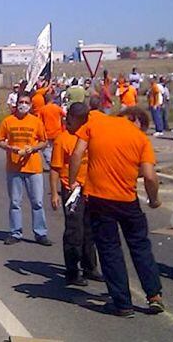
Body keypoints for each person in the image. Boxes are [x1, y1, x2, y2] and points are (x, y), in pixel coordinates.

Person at [69, 104, 164, 317]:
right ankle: (154, 295)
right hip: (128, 201)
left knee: (110, 250)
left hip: (100, 200)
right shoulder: (141, 139)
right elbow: (149, 176)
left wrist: (74, 181)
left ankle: (122, 303)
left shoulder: (95, 123)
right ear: (134, 119)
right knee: (140, 247)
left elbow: (77, 153)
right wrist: (154, 200)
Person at [49, 103, 100, 287]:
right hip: (72, 191)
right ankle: (72, 271)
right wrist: (54, 193)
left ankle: (90, 267)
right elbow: (55, 169)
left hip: (91, 188)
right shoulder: (63, 139)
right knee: (74, 231)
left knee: (89, 230)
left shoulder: (89, 137)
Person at [0, 92, 51, 246]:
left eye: (27, 102)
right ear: (16, 103)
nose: (23, 105)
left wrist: (33, 148)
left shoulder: (36, 122)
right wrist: (10, 147)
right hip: (14, 167)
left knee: (37, 202)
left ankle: (40, 233)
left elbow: (43, 142)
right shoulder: (8, 121)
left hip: (33, 168)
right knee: (15, 202)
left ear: (31, 105)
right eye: (21, 102)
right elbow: (0, 140)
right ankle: (15, 232)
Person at [38, 89, 64, 169]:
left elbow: (39, 122)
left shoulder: (42, 110)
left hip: (47, 132)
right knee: (55, 149)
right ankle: (56, 163)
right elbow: (64, 115)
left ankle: (51, 163)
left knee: (46, 149)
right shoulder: (57, 108)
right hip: (57, 132)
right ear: (52, 99)